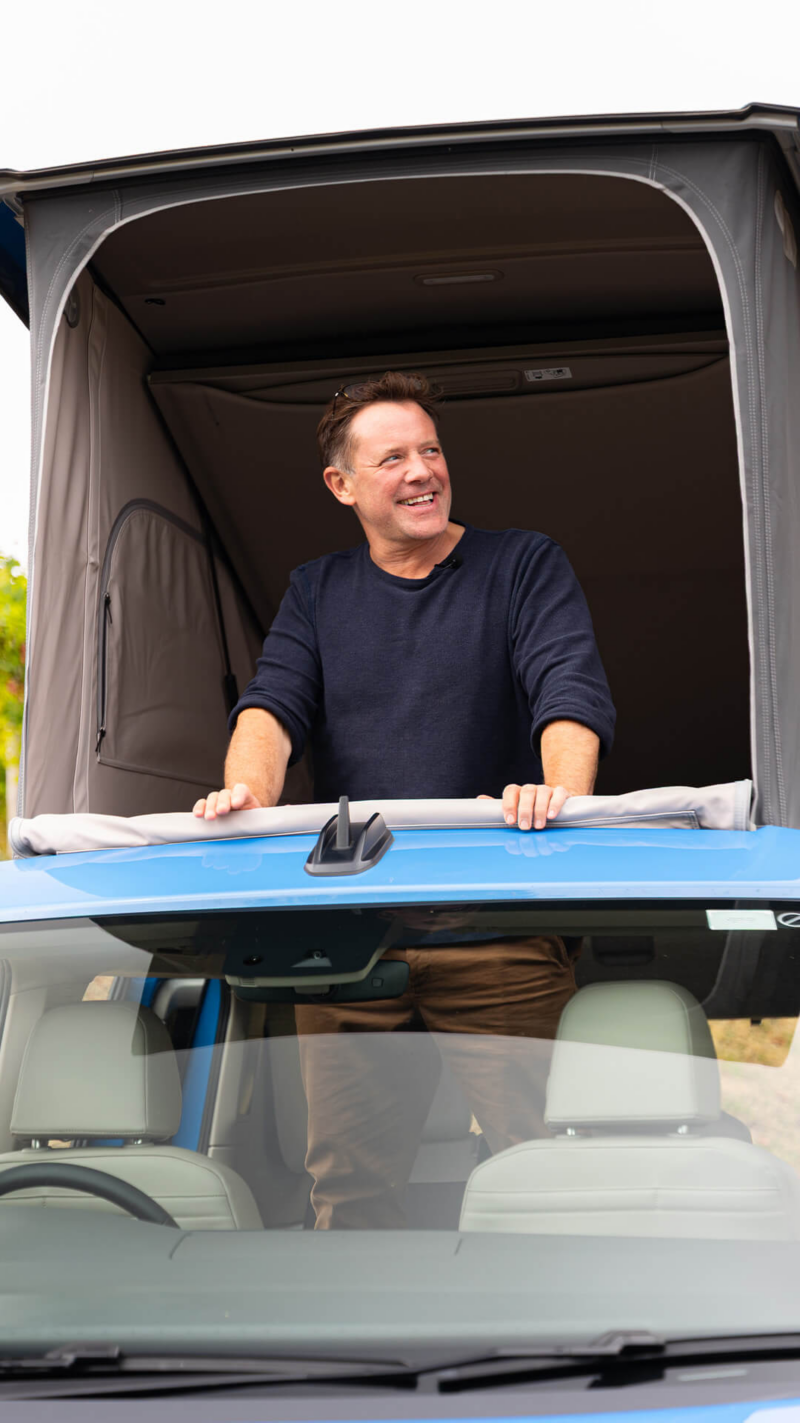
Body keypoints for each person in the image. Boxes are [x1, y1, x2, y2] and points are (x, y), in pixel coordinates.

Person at [194, 371, 616, 1228]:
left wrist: (560, 794)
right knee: (348, 1199)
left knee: (546, 1183)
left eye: (431, 449)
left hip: (499, 929)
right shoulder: (317, 589)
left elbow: (568, 689)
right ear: (342, 484)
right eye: (393, 458)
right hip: (350, 944)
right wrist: (247, 789)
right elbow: (272, 707)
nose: (423, 470)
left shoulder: (523, 563)